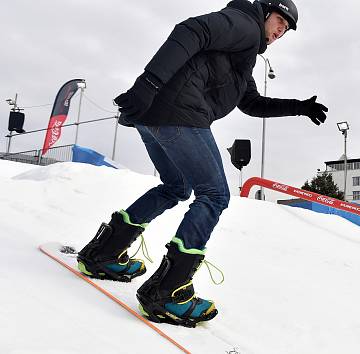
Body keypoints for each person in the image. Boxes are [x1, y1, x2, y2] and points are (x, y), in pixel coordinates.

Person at [76, 0, 327, 328]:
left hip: (156, 116)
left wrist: (297, 107)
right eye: (280, 20)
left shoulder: (243, 54)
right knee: (215, 195)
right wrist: (148, 83)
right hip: (177, 113)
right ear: (265, 12)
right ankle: (168, 292)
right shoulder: (243, 24)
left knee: (175, 187)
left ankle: (104, 254)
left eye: (287, 29)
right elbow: (192, 30)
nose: (281, 31)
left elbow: (250, 103)